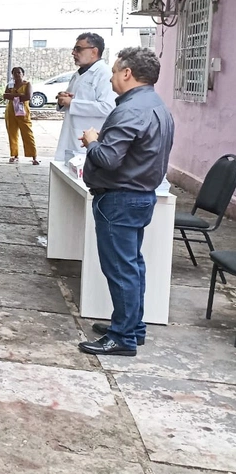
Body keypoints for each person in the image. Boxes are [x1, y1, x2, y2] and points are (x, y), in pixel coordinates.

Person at [78, 47, 174, 357]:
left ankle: (123, 337)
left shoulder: (131, 109)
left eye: (115, 70)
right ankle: (132, 326)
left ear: (127, 73)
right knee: (132, 267)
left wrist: (93, 141)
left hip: (120, 198)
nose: (111, 76)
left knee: (121, 269)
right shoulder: (157, 105)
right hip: (139, 196)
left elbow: (108, 158)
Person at [55, 32, 118, 162]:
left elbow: (108, 107)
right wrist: (62, 99)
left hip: (87, 141)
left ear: (94, 52)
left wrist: (72, 103)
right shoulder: (78, 74)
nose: (73, 53)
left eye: (78, 49)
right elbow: (70, 100)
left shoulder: (104, 74)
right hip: (70, 136)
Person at [4, 67, 39, 165]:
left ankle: (33, 156)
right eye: (14, 73)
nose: (17, 75)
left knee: (27, 133)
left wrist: (13, 96)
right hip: (11, 111)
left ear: (23, 74)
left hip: (23, 112)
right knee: (12, 133)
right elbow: (5, 95)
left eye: (19, 73)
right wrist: (19, 96)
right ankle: (14, 155)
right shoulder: (10, 85)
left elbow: (27, 97)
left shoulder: (27, 84)